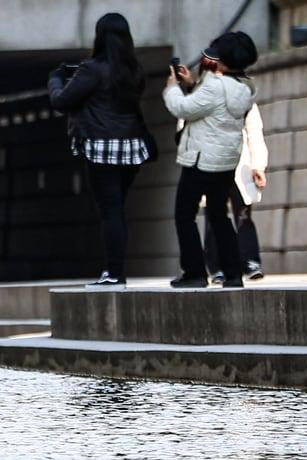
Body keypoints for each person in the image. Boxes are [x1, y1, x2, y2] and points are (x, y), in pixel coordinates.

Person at [49, 12, 153, 287]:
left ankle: (114, 273)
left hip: (101, 148)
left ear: (100, 37)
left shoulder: (92, 69)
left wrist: (56, 78)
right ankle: (117, 271)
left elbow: (62, 101)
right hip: (132, 148)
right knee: (118, 209)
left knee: (110, 211)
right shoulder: (134, 70)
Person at [163, 32, 258, 288]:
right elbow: (211, 109)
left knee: (184, 214)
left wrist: (173, 87)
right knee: (219, 215)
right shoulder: (244, 87)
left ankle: (194, 272)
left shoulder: (214, 85)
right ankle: (233, 274)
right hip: (225, 161)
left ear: (222, 59)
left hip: (200, 159)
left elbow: (183, 108)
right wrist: (193, 85)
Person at [204, 102, 268, 283]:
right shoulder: (201, 92)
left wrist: (258, 165)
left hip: (240, 164)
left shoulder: (244, 97)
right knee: (213, 215)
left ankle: (250, 262)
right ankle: (216, 267)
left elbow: (255, 134)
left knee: (244, 214)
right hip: (210, 163)